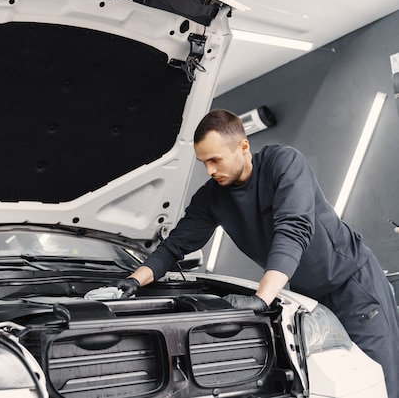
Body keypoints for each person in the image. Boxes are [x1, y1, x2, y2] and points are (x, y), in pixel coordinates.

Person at [115, 108, 399, 398]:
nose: (210, 170)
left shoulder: (284, 164)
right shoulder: (211, 197)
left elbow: (293, 228)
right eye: (203, 163)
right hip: (307, 297)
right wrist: (135, 280)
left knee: (379, 380)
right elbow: (175, 245)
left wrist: (261, 299)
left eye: (215, 160)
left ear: (243, 147)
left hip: (352, 285)